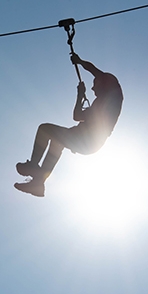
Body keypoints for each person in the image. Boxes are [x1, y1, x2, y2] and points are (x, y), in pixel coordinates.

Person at [14, 53, 123, 197]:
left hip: (89, 140)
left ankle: (34, 166)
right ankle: (38, 183)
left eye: (94, 85)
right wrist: (80, 93)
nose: (92, 89)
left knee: (45, 129)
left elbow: (94, 71)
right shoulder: (102, 103)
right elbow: (77, 116)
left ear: (104, 83)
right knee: (57, 142)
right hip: (89, 142)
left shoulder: (113, 93)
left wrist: (79, 62)